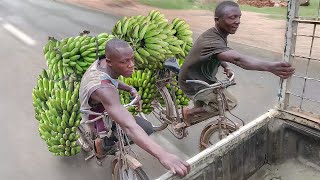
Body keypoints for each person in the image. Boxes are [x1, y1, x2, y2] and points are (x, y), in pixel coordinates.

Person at [79, 38, 190, 177]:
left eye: (132, 59)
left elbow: (112, 79)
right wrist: (163, 154)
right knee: (132, 129)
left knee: (147, 128)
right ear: (109, 62)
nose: (131, 65)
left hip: (106, 103)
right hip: (95, 113)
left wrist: (130, 88)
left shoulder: (105, 65)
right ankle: (101, 146)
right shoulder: (103, 88)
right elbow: (129, 126)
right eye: (124, 62)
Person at [178, 0, 295, 125]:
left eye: (239, 17)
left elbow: (216, 54)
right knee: (229, 103)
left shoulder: (218, 34)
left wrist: (225, 65)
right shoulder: (211, 40)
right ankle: (188, 114)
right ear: (217, 20)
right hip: (193, 83)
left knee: (210, 104)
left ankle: (188, 118)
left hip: (202, 79)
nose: (238, 21)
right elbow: (238, 59)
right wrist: (269, 66)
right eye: (232, 18)